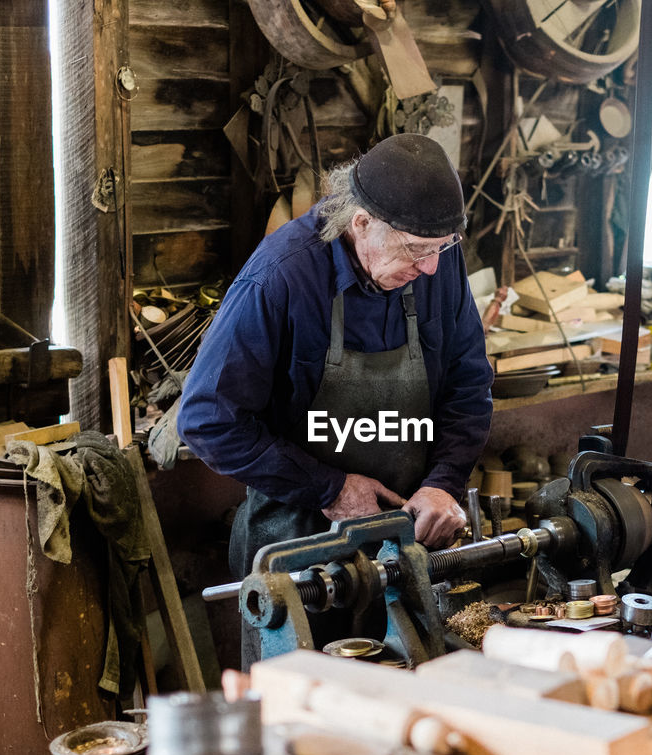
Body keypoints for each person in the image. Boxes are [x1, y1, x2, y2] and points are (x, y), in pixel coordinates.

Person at [178, 134, 493, 660]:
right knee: (304, 721)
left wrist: (444, 483)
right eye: (416, 250)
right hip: (300, 550)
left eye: (443, 248)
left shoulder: (436, 258)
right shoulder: (281, 277)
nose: (432, 268)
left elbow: (469, 381)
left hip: (406, 544)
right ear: (361, 222)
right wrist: (329, 488)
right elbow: (208, 419)